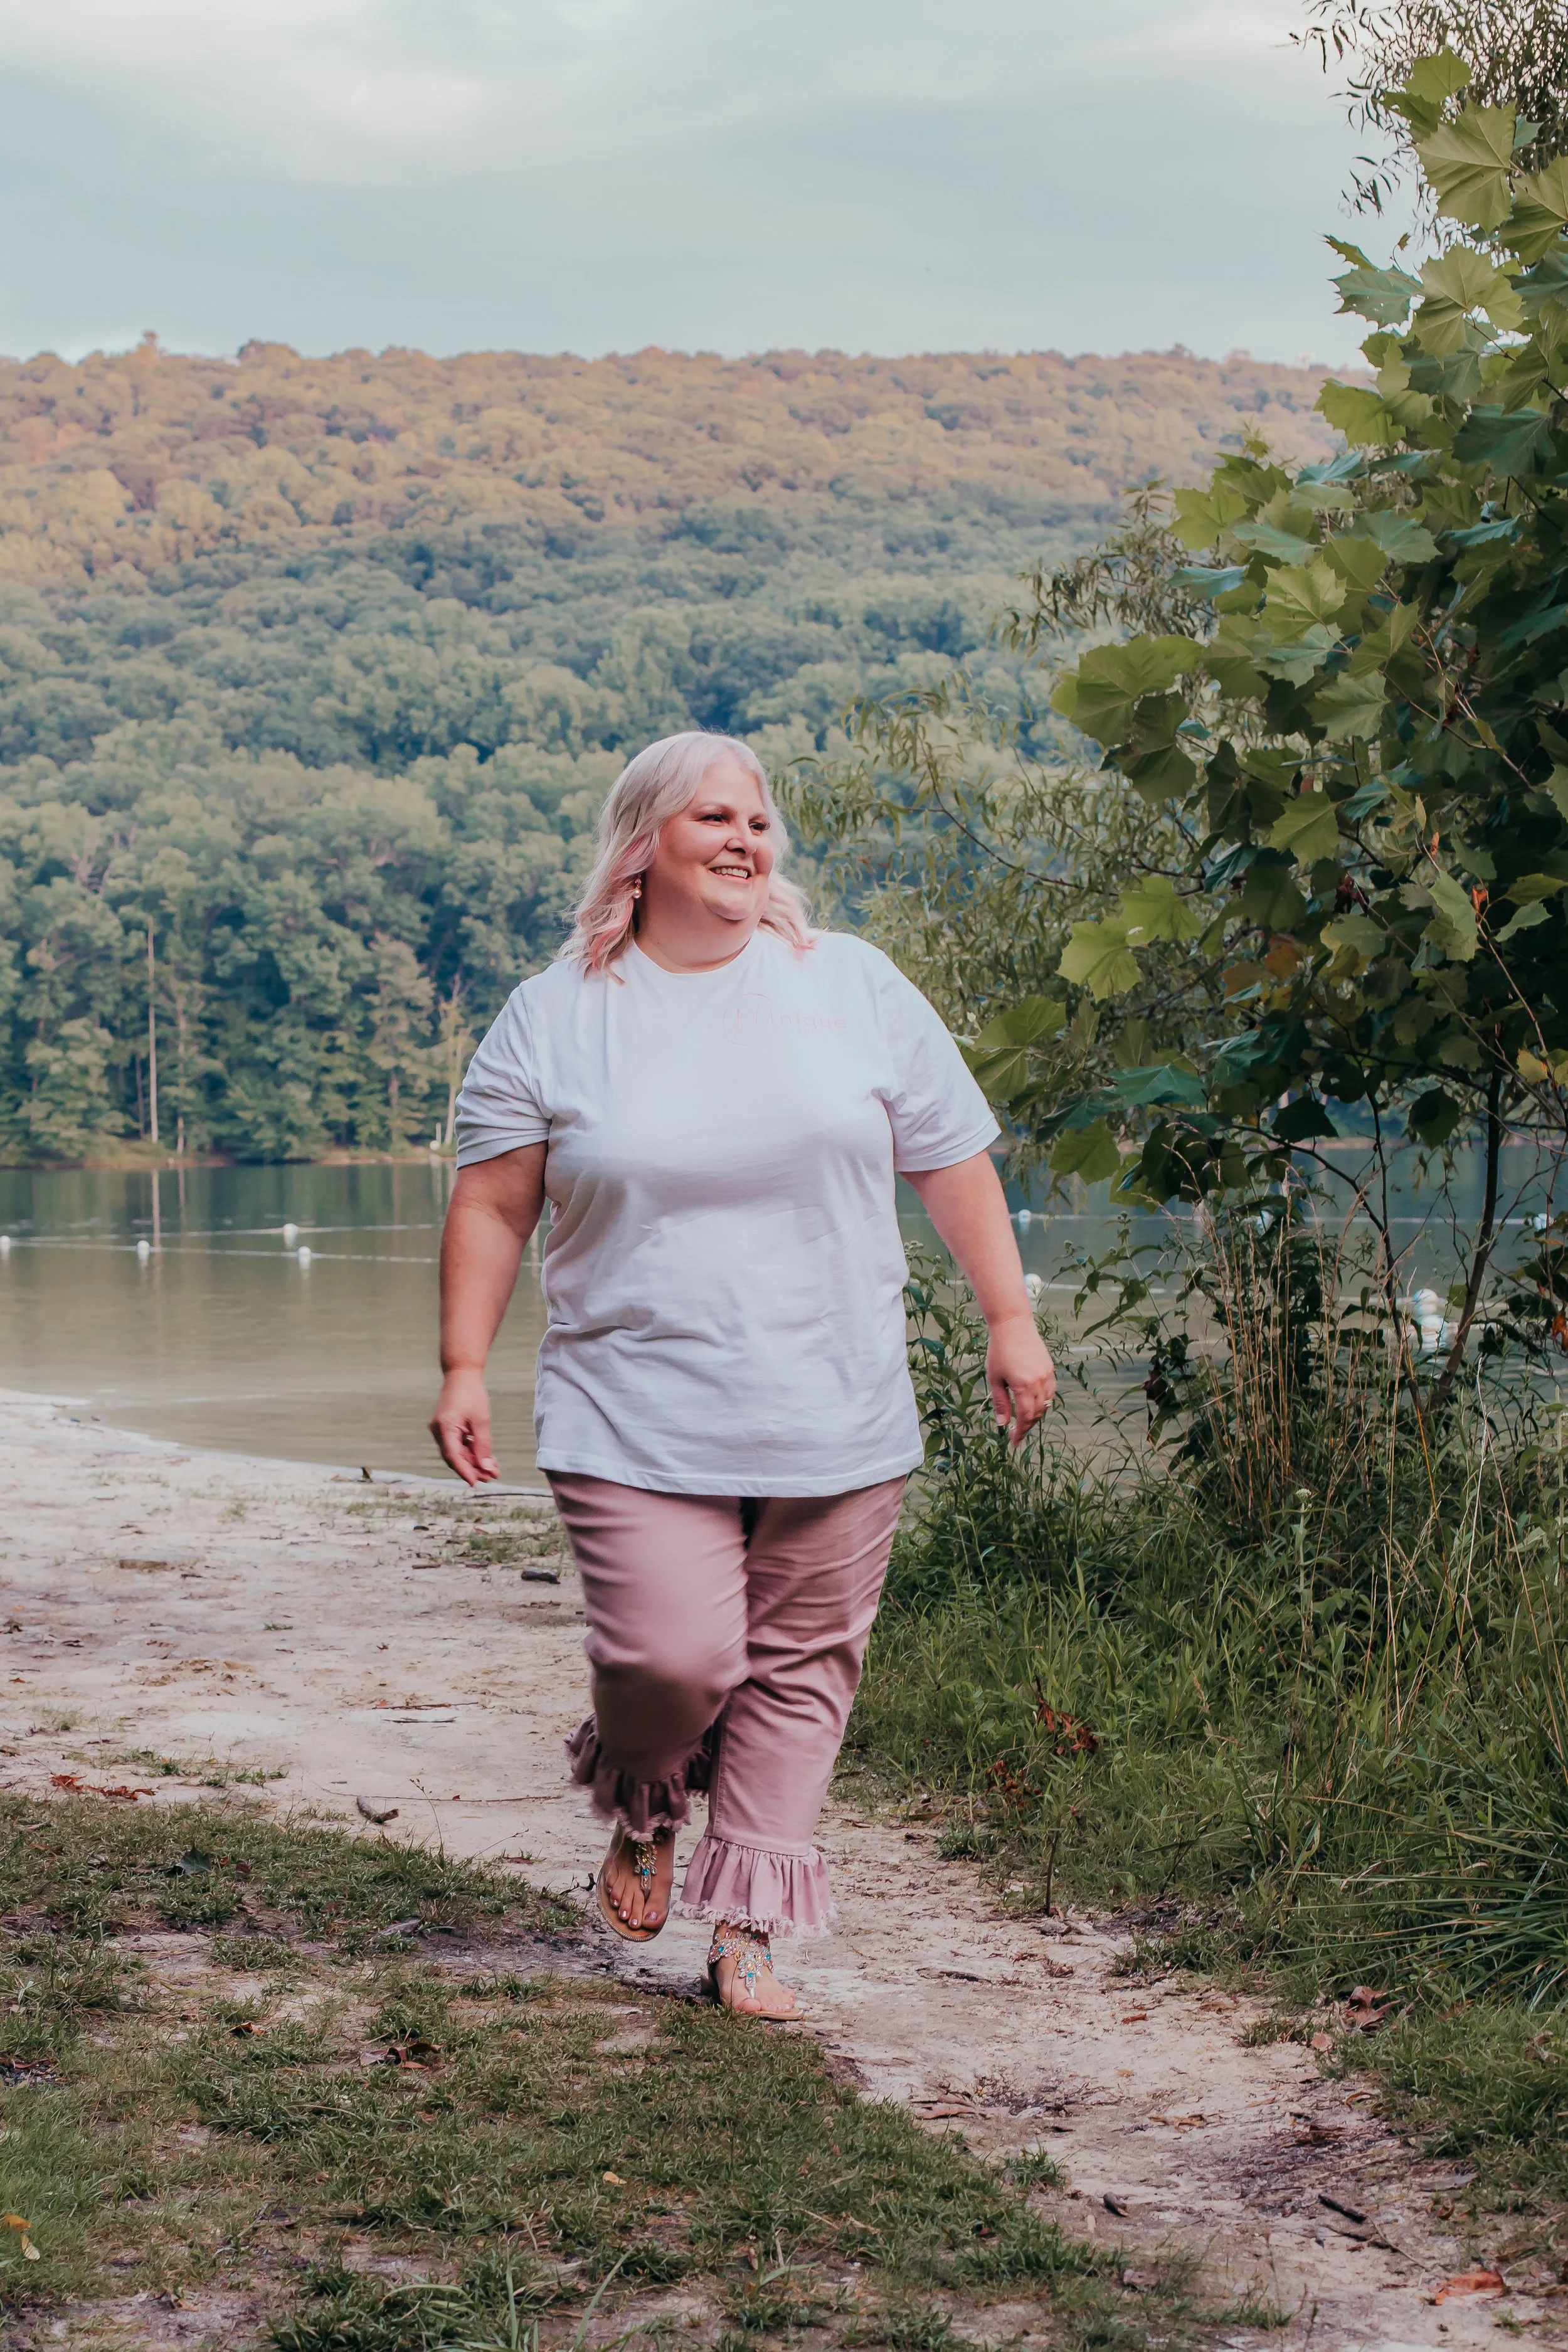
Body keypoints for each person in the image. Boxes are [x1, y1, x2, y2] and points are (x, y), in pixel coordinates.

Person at [430, 730, 1055, 2017]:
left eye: (758, 821)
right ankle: (645, 1790)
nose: (743, 840)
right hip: (629, 1407)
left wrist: (1009, 1316)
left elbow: (950, 1164)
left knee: (799, 1666)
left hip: (835, 1401)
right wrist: (460, 1364)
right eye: (712, 817)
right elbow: (493, 1206)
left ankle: (747, 1928)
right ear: (643, 842)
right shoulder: (555, 1016)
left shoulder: (853, 986)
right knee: (671, 1660)